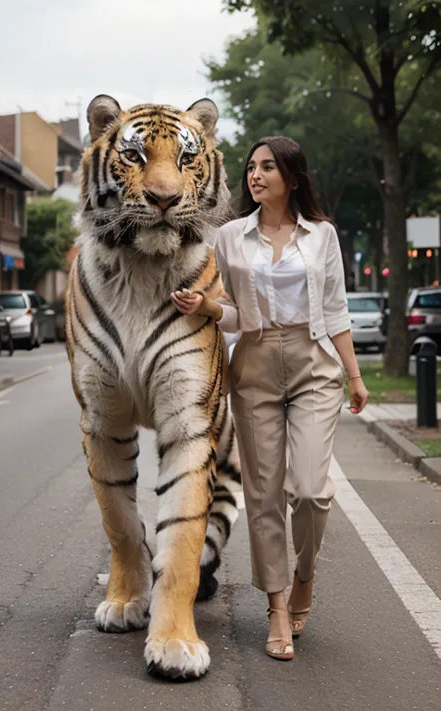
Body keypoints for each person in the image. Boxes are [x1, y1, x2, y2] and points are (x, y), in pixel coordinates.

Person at [170, 136, 369, 662]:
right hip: (254, 364)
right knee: (262, 497)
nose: (255, 176)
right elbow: (235, 314)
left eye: (267, 167)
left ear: (293, 177)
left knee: (308, 490)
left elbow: (337, 308)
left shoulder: (321, 236)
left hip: (313, 362)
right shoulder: (231, 237)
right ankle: (277, 606)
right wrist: (207, 306)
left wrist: (354, 376)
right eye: (251, 168)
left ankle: (305, 571)